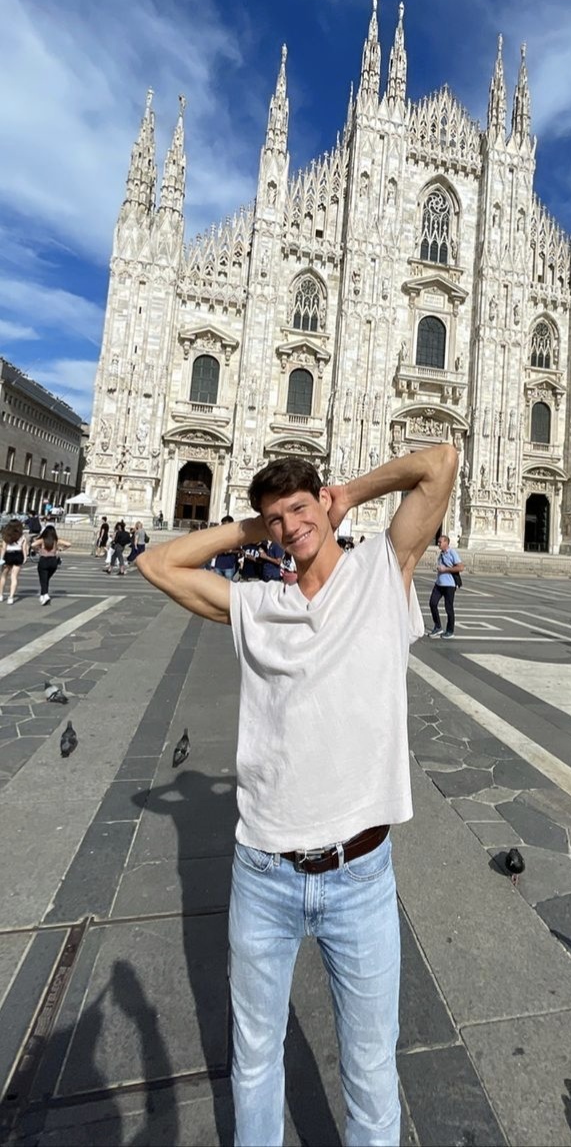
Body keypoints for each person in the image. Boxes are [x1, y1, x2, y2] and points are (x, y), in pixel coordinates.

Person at [136, 443, 456, 1147]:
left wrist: (346, 495)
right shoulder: (259, 605)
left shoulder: (383, 575)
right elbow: (156, 564)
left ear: (324, 504)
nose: (291, 525)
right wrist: (255, 528)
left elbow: (440, 461)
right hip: (264, 874)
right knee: (253, 1061)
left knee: (372, 1069)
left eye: (299, 508)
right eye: (277, 518)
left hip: (360, 873)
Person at [428, 534, 465, 640]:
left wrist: (445, 569)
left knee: (448, 608)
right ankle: (438, 626)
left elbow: (461, 567)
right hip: (439, 584)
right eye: (438, 542)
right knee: (432, 603)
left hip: (449, 585)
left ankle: (450, 631)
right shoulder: (441, 554)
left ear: (446, 543)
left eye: (440, 542)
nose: (438, 543)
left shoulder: (452, 552)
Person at [32, 525, 71, 604]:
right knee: (46, 579)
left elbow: (33, 544)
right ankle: (42, 595)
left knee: (43, 579)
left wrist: (37, 550)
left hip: (44, 560)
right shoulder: (56, 540)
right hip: (53, 561)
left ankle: (45, 595)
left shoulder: (43, 540)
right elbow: (69, 544)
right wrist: (61, 549)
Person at [0, 520, 28, 605]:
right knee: (14, 577)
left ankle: (0, 595)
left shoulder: (6, 535)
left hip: (8, 554)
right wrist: (25, 557)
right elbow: (24, 548)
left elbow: (4, 548)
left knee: (3, 575)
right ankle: (11, 597)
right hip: (18, 554)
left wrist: (1, 558)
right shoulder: (22, 536)